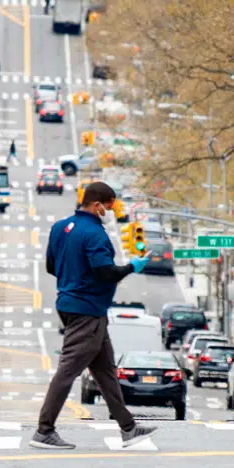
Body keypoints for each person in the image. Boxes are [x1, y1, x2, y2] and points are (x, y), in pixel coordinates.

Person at [31, 181, 157, 450]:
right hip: (86, 309)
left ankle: (128, 428)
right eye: (110, 205)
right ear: (97, 204)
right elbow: (105, 272)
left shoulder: (60, 228)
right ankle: (44, 431)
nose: (112, 210)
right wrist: (132, 266)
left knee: (105, 371)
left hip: (73, 304)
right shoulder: (95, 235)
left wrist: (73, 279)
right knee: (68, 371)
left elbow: (52, 266)